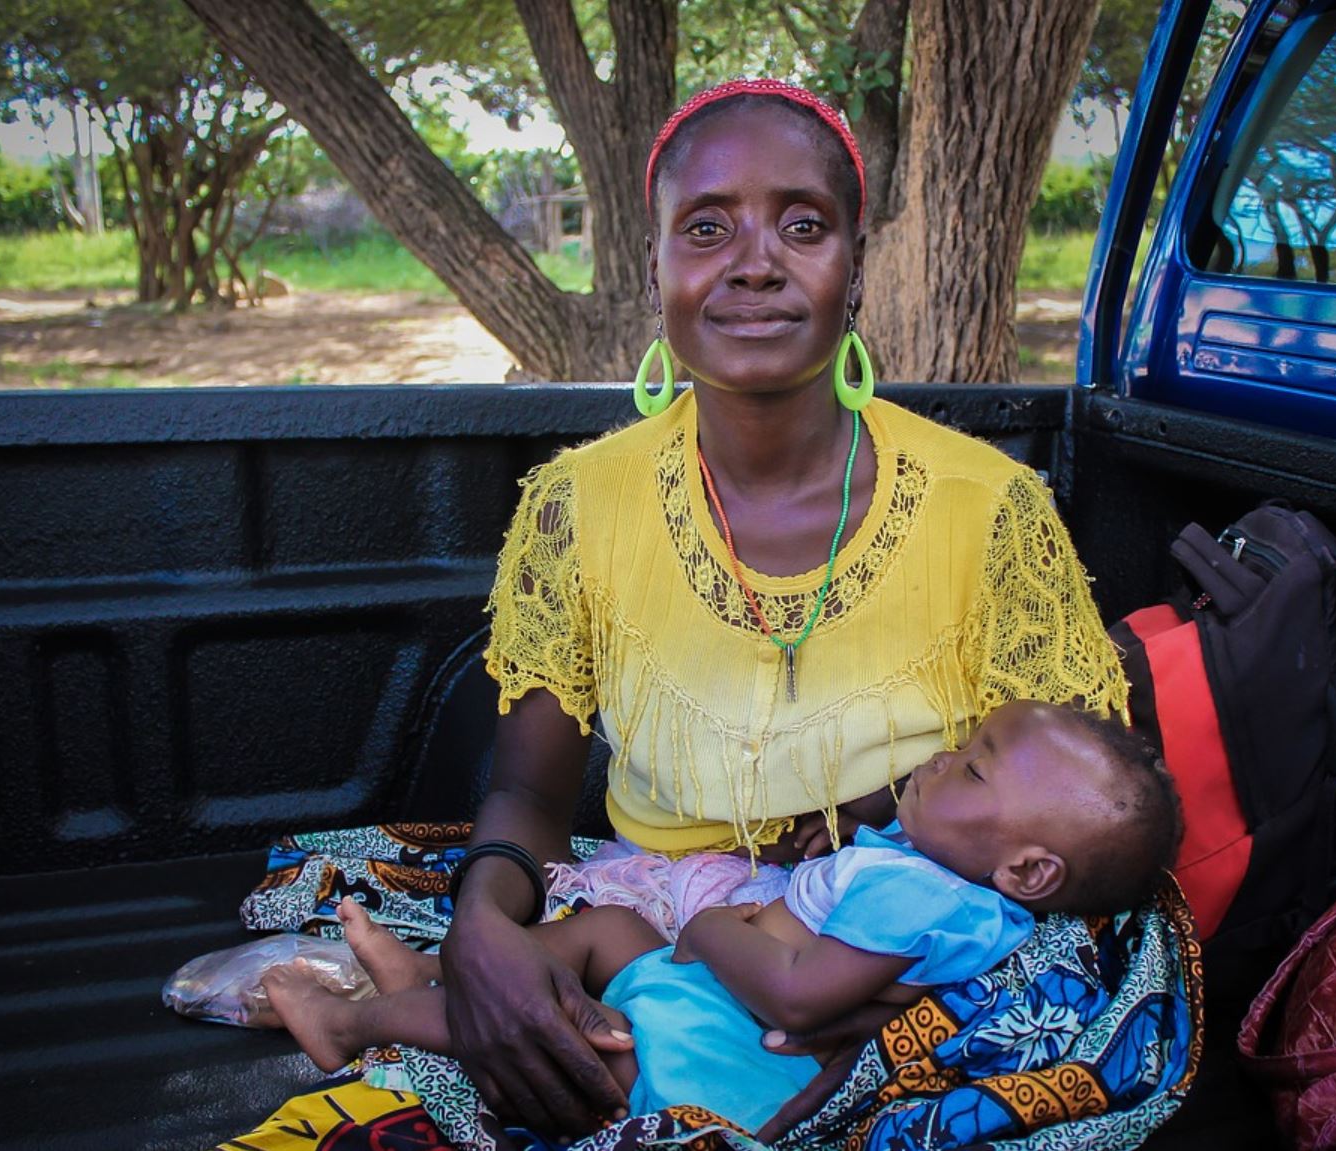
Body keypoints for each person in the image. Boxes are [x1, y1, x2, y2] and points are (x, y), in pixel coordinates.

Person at [441, 77, 1130, 1136]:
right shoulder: (576, 505)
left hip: (904, 953)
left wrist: (906, 978)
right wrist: (480, 926)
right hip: (658, 920)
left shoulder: (989, 507)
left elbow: (1071, 813)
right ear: (654, 267)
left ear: (855, 267)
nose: (755, 261)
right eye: (705, 227)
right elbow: (529, 796)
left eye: (802, 226)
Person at [263, 701, 1181, 1133]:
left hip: (718, 1048)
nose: (943, 757)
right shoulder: (945, 875)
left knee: (573, 1030)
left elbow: (797, 1000)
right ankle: (430, 974)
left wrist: (706, 931)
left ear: (1028, 869)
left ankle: (355, 1022)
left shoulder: (923, 896)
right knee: (604, 931)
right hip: (714, 999)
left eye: (972, 767)